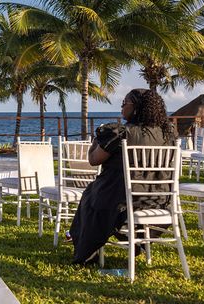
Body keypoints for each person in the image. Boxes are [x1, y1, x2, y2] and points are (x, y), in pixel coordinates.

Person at [69, 88, 175, 264]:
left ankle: (88, 251)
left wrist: (96, 139)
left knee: (90, 196)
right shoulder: (168, 134)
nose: (122, 107)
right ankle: (134, 240)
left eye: (124, 103)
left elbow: (94, 160)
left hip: (122, 201)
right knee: (96, 194)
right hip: (158, 199)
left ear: (136, 108)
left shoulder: (121, 133)